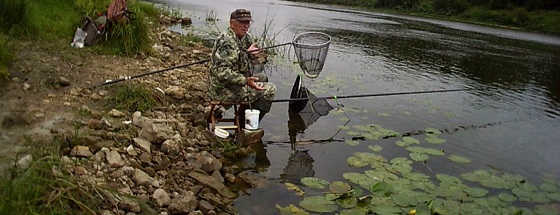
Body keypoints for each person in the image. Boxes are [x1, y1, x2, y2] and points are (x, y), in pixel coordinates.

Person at [209, 9, 276, 119]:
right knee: (271, 89)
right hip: (222, 88)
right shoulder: (226, 41)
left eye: (247, 22)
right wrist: (246, 81)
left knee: (263, 77)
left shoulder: (246, 37)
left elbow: (260, 62)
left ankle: (242, 114)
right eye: (242, 22)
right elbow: (221, 72)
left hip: (236, 82)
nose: (246, 26)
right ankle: (247, 122)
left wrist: (256, 56)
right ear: (232, 23)